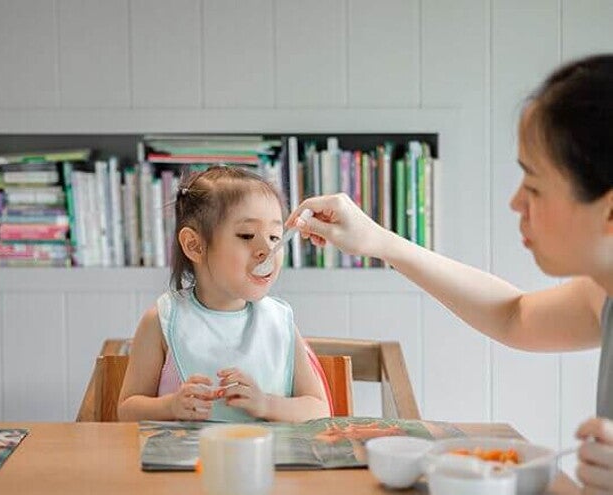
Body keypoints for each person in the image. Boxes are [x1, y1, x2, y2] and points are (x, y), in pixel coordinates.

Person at [287, 54, 612, 493]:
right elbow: (514, 315)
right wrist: (378, 241)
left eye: (533, 186)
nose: (516, 202)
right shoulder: (602, 295)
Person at [118, 166, 330, 423]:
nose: (267, 249)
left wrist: (266, 404)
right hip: (186, 462)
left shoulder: (279, 321)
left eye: (275, 237)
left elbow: (319, 409)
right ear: (195, 246)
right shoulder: (161, 321)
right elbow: (127, 411)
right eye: (247, 235)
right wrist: (170, 407)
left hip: (269, 462)